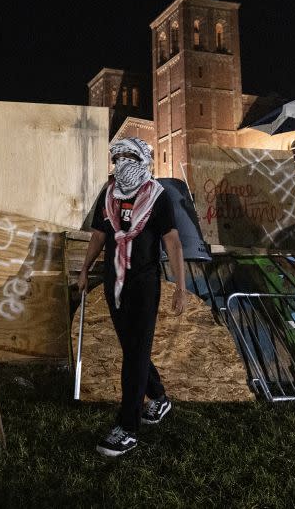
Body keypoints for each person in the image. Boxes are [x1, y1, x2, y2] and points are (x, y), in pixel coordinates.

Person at [77, 137, 188, 457]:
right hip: (114, 282)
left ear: (142, 158)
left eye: (129, 155)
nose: (122, 162)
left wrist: (180, 288)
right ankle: (159, 397)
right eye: (118, 156)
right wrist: (85, 269)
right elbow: (100, 234)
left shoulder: (157, 197)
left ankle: (127, 428)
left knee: (134, 355)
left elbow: (173, 243)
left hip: (143, 284)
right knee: (133, 348)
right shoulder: (109, 194)